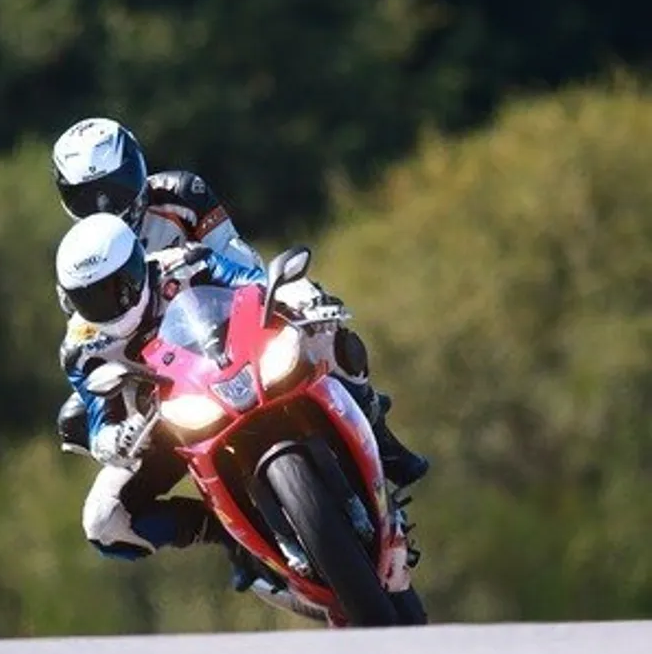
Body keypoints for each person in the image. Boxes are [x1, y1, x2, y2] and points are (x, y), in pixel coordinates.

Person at [55, 213, 419, 623]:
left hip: (244, 369)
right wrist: (113, 439)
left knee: (326, 332)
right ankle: (222, 533)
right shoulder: (81, 347)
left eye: (118, 284)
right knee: (102, 521)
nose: (113, 300)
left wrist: (294, 298)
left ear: (137, 264)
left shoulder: (184, 262)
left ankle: (382, 442)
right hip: (170, 422)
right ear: (71, 299)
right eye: (94, 296)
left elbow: (250, 282)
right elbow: (96, 412)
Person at [51, 117, 429, 497]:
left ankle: (378, 433)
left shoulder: (182, 194)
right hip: (164, 373)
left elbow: (239, 263)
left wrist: (282, 297)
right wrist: (109, 433)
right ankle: (226, 531)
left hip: (223, 315)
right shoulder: (80, 264)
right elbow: (97, 342)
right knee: (99, 507)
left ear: (137, 168)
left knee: (310, 301)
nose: (105, 207)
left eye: (114, 189)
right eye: (86, 197)